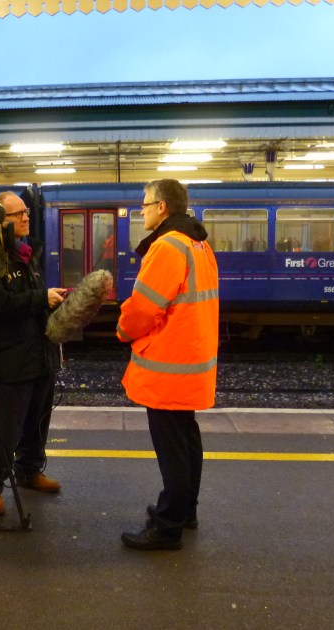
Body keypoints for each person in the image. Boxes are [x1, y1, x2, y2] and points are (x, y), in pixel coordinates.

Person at [116, 179, 219, 551]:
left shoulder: (166, 246)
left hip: (168, 365)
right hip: (191, 359)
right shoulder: (198, 243)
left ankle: (168, 526)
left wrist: (123, 329)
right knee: (186, 440)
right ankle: (184, 510)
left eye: (145, 204)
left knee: (172, 448)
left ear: (162, 207)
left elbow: (144, 306)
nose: (141, 211)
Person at [0, 191, 66, 516]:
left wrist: (51, 301)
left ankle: (29, 470)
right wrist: (41, 298)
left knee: (37, 418)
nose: (26, 217)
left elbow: (30, 299)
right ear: (0, 221)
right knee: (5, 425)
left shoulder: (25, 254)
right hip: (9, 356)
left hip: (39, 353)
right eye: (18, 214)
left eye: (26, 212)